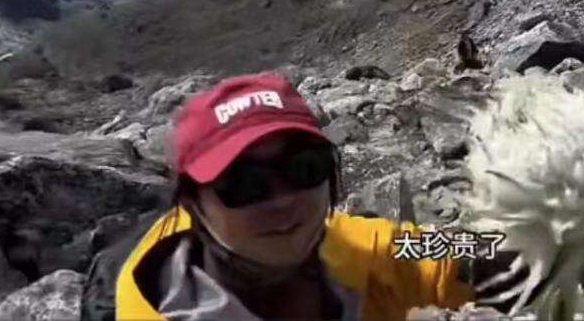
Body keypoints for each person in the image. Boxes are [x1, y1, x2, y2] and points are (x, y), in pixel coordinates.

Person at [81, 71, 515, 321]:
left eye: (304, 169)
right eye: (246, 186)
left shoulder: (354, 245)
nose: (283, 200)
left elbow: (451, 251)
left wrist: (541, 242)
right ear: (193, 204)